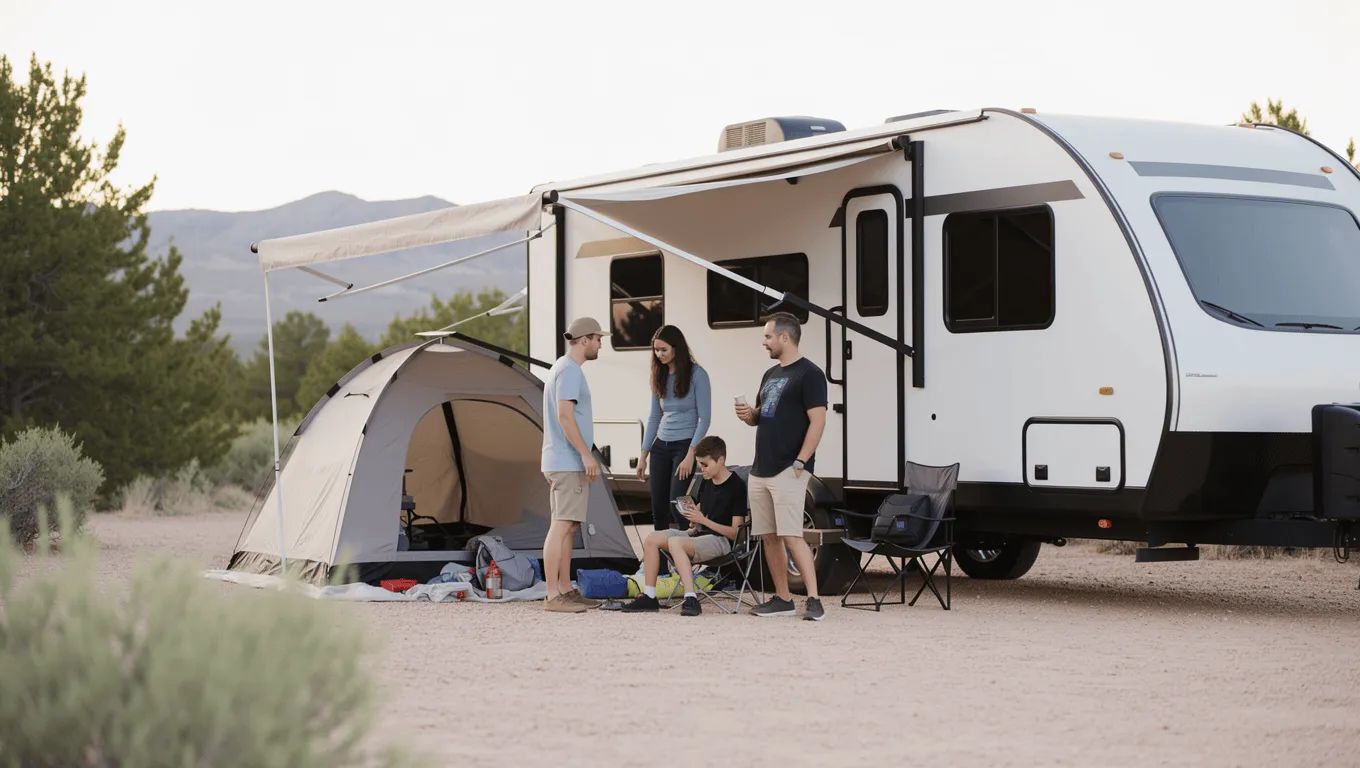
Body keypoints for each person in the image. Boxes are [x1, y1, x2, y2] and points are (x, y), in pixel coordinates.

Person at [734, 312, 828, 621]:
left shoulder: (810, 374)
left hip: (789, 468)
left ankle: (814, 600)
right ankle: (782, 599)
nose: (764, 342)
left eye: (768, 336)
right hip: (761, 468)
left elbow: (818, 421)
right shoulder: (770, 374)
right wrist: (750, 415)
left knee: (791, 534)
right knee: (769, 536)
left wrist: (801, 460)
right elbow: (764, 415)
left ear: (785, 338)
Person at [620, 436, 746, 616]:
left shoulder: (736, 487)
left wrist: (703, 520)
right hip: (699, 533)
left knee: (676, 543)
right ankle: (649, 596)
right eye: (700, 465)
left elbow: (736, 534)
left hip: (721, 541)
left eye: (705, 465)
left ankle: (690, 598)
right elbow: (703, 505)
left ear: (721, 460)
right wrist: (693, 514)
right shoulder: (707, 480)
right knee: (652, 539)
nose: (702, 470)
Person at [540, 317, 608, 614]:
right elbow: (565, 416)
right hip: (567, 461)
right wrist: (585, 454)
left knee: (569, 526)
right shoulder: (569, 371)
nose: (600, 344)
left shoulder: (563, 368)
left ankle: (566, 589)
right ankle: (552, 594)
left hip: (562, 460)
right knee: (561, 525)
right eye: (597, 339)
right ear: (584, 340)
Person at [635, 325, 712, 531]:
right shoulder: (658, 375)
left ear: (676, 348)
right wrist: (644, 455)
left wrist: (690, 454)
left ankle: (690, 552)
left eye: (663, 350)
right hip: (660, 446)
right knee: (658, 507)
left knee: (676, 503)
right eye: (656, 350)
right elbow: (654, 417)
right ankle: (659, 560)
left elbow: (704, 419)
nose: (659, 355)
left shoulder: (698, 375)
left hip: (684, 445)